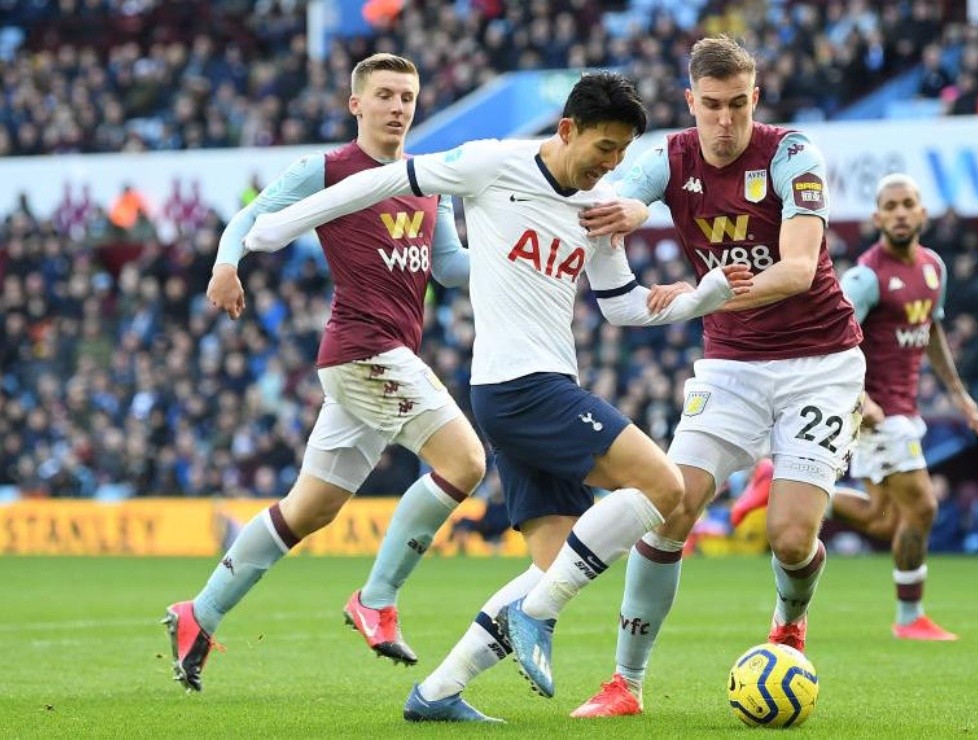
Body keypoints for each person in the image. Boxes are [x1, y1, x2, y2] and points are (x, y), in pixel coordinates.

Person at [245, 71, 753, 722]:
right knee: (665, 488)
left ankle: (437, 692)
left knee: (554, 562)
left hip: (545, 387)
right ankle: (535, 619)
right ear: (567, 129)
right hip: (517, 387)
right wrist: (280, 223)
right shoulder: (491, 163)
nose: (612, 166)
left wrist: (704, 297)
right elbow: (385, 181)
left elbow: (623, 308)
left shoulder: (595, 208)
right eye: (604, 147)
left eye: (623, 153)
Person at [163, 53, 488, 692]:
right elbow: (251, 216)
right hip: (363, 351)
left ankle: (196, 614)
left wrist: (515, 259)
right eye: (386, 95)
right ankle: (377, 598)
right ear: (356, 105)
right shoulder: (327, 170)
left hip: (383, 358)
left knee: (308, 510)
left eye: (408, 96)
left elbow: (448, 269)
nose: (399, 107)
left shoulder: (429, 180)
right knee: (466, 463)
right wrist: (226, 263)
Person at [569, 36, 865, 719]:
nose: (724, 121)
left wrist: (701, 294)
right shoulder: (672, 156)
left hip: (819, 364)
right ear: (689, 103)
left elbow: (796, 270)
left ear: (754, 99)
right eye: (710, 106)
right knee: (669, 505)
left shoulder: (792, 153)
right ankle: (625, 684)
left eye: (737, 105)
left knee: (791, 538)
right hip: (731, 366)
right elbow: (627, 197)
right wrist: (634, 214)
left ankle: (790, 620)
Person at [828, 173, 978, 641]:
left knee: (882, 517)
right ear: (877, 218)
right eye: (890, 206)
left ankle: (786, 488)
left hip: (904, 406)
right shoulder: (864, 278)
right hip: (877, 410)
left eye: (907, 204)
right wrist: (861, 399)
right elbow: (833, 340)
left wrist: (958, 392)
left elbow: (931, 329)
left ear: (922, 213)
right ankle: (909, 618)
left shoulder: (933, 267)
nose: (899, 212)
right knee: (923, 507)